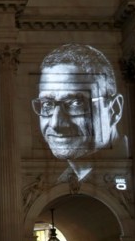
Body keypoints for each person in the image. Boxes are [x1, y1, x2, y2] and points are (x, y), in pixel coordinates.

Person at [33, 43, 127, 182]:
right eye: (47, 104)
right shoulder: (62, 181)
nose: (56, 123)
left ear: (114, 109)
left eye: (75, 103)